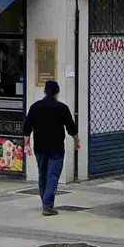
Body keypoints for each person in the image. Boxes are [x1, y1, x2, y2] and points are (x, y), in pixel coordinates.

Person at [24, 81, 80, 216]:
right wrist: (77, 141)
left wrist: (26, 144)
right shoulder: (62, 108)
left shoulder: (35, 107)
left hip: (40, 147)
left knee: (43, 175)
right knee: (53, 176)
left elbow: (27, 127)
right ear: (57, 92)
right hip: (56, 148)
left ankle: (45, 201)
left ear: (45, 91)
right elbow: (71, 128)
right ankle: (47, 205)